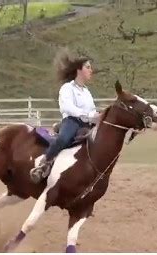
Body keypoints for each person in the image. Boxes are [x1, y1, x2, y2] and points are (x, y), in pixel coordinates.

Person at [30, 49, 100, 183]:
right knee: (63, 139)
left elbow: (92, 109)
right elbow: (67, 107)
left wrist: (97, 116)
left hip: (87, 123)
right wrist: (88, 115)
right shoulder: (67, 88)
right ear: (79, 70)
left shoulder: (87, 92)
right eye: (88, 67)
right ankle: (44, 163)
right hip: (72, 121)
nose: (91, 70)